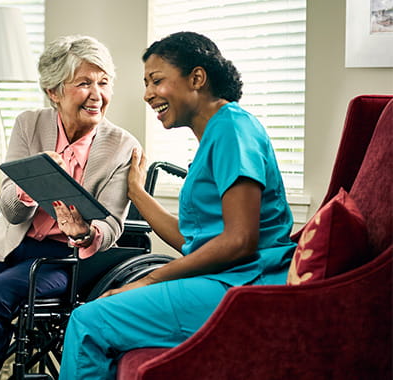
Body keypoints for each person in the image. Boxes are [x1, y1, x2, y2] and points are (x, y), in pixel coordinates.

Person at [58, 31, 297, 379]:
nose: (147, 94)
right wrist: (137, 191)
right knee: (102, 316)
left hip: (245, 286)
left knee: (88, 321)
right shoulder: (218, 132)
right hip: (227, 278)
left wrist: (148, 280)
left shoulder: (232, 129)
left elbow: (239, 240)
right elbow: (192, 240)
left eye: (156, 80)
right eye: (145, 83)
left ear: (197, 78)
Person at [0, 35, 141, 380]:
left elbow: (113, 224)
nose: (97, 94)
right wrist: (29, 184)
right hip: (9, 242)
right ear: (53, 91)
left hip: (63, 258)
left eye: (103, 82)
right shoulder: (30, 124)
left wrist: (85, 233)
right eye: (84, 83)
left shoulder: (121, 145)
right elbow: (10, 210)